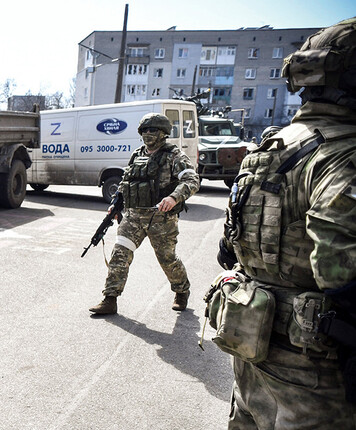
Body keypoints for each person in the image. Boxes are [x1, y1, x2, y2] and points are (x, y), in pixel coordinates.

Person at [213, 17, 356, 428]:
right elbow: (339, 272)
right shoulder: (343, 155)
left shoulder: (269, 147)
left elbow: (229, 249)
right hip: (316, 370)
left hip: (254, 340)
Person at [89, 113, 200, 315]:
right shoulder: (137, 154)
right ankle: (110, 298)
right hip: (133, 216)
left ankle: (181, 290)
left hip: (161, 217)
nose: (148, 134)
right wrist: (116, 204)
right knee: (120, 254)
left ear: (163, 133)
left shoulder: (174, 156)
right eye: (145, 131)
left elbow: (192, 181)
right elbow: (126, 182)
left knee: (167, 258)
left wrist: (174, 197)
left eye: (153, 130)